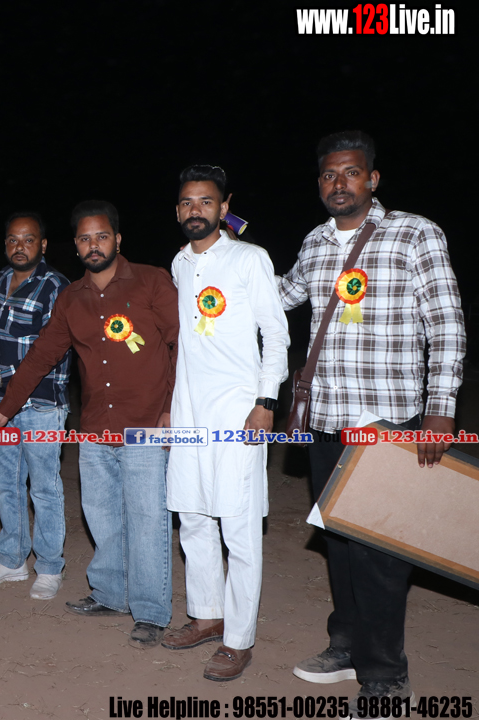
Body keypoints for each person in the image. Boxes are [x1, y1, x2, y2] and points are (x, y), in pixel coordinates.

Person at [280, 131, 465, 701]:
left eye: (351, 172)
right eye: (329, 175)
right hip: (326, 420)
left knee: (379, 552)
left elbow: (446, 324)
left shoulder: (415, 233)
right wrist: (227, 256)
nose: (339, 183)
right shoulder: (315, 242)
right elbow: (281, 296)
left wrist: (441, 410)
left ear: (373, 179)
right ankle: (346, 645)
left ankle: (385, 676)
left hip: (386, 423)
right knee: (337, 540)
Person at [0, 200, 179, 648]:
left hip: (147, 423)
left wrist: (171, 410)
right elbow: (40, 358)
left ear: (117, 239)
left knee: (147, 520)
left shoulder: (152, 281)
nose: (94, 245)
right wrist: (6, 409)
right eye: (85, 239)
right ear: (75, 245)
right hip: (95, 426)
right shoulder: (71, 298)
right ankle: (110, 594)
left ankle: (150, 612)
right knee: (101, 516)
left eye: (101, 236)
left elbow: (179, 344)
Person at [160, 167, 289, 681]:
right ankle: (207, 615)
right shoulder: (179, 263)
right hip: (189, 412)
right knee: (193, 516)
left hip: (239, 413)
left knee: (239, 524)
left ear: (224, 206)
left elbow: (275, 334)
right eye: (187, 202)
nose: (196, 210)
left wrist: (266, 401)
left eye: (206, 202)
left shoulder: (250, 258)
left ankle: (238, 639)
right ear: (178, 210)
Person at [0, 212, 72, 600]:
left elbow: (50, 350)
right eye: (13, 240)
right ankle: (13, 560)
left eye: (28, 240)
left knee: (44, 489)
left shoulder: (56, 286)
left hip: (41, 404)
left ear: (42, 245)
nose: (20, 247)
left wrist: (1, 375)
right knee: (8, 486)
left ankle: (49, 566)